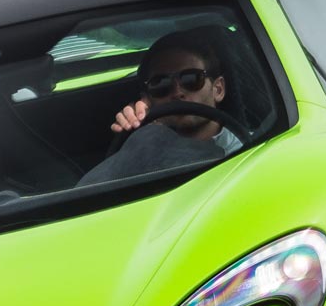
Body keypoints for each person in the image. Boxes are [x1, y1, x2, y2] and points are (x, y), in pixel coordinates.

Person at [79, 27, 243, 186]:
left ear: (218, 89)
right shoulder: (142, 151)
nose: (178, 92)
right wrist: (138, 135)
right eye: (161, 85)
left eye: (191, 79)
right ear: (147, 100)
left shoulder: (249, 149)